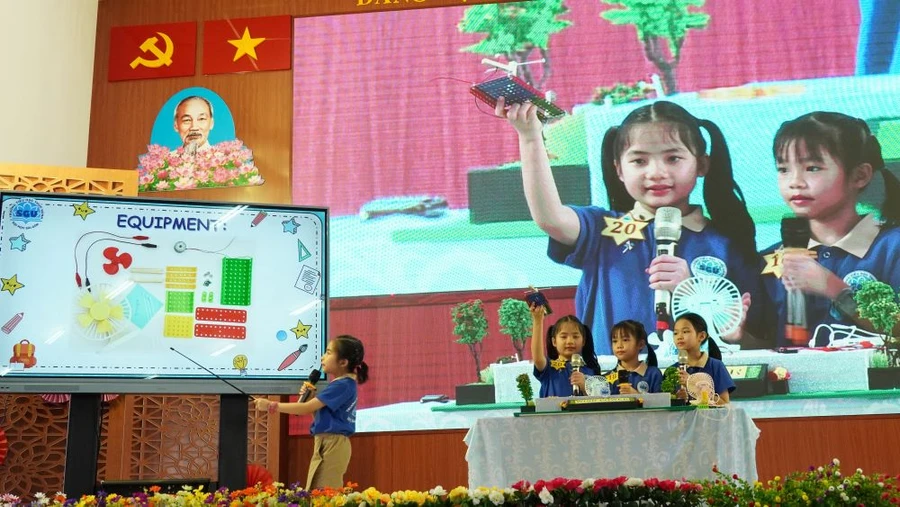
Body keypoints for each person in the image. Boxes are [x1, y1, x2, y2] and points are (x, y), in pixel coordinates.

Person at [496, 98, 762, 354]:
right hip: (611, 390)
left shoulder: (725, 243)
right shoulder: (602, 230)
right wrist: (530, 138)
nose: (656, 172)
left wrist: (691, 291)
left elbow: (749, 342)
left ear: (701, 164)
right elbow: (550, 218)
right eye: (639, 161)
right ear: (619, 170)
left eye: (673, 158)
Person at [760, 112, 900, 347]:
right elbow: (764, 349)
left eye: (812, 168)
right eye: (783, 169)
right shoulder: (771, 259)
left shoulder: (891, 247)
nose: (795, 181)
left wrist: (835, 289)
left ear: (860, 175)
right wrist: (736, 334)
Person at [254, 335, 369, 490]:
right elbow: (319, 414)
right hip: (326, 441)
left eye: (328, 353)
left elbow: (305, 408)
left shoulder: (342, 385)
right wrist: (313, 399)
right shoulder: (342, 384)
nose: (323, 357)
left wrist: (271, 405)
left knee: (324, 494)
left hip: (332, 443)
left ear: (343, 362)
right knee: (317, 491)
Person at [529, 304, 601, 397]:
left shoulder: (591, 369)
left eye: (575, 336)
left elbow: (600, 400)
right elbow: (538, 359)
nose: (570, 341)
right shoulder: (549, 367)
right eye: (563, 337)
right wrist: (537, 321)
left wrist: (586, 386)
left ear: (583, 341)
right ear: (554, 341)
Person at [673, 313, 735, 404]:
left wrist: (693, 384)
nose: (679, 337)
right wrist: (676, 400)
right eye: (675, 333)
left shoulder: (716, 366)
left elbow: (724, 403)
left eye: (685, 331)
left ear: (701, 336)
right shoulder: (672, 370)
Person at [605, 320, 662, 394]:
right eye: (615, 341)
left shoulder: (653, 374)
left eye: (625, 340)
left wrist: (637, 396)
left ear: (641, 344)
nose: (619, 345)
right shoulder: (608, 378)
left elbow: (661, 403)